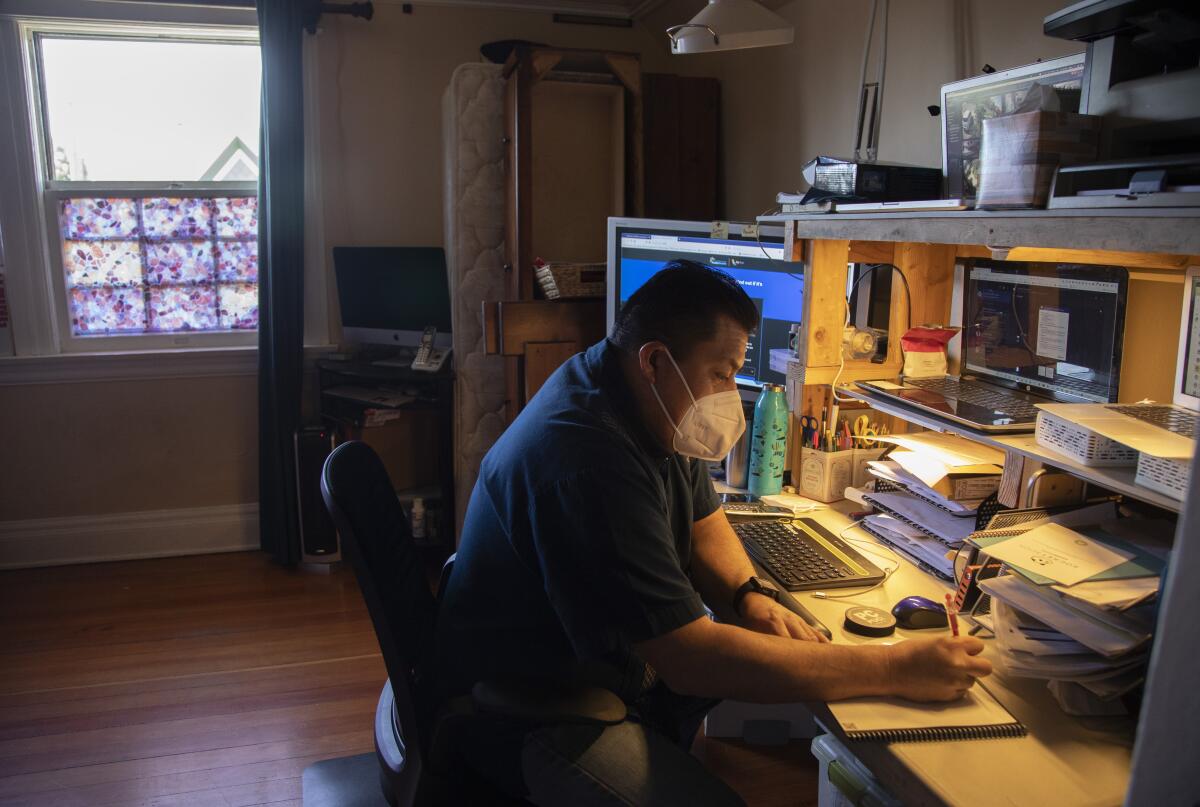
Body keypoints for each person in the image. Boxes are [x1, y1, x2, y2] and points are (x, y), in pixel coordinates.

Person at [433, 260, 992, 805]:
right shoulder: (587, 460)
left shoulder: (631, 392)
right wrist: (895, 668)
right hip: (531, 706)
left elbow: (704, 520)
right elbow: (690, 657)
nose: (728, 392)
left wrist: (748, 596)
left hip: (592, 670)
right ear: (654, 359)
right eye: (721, 373)